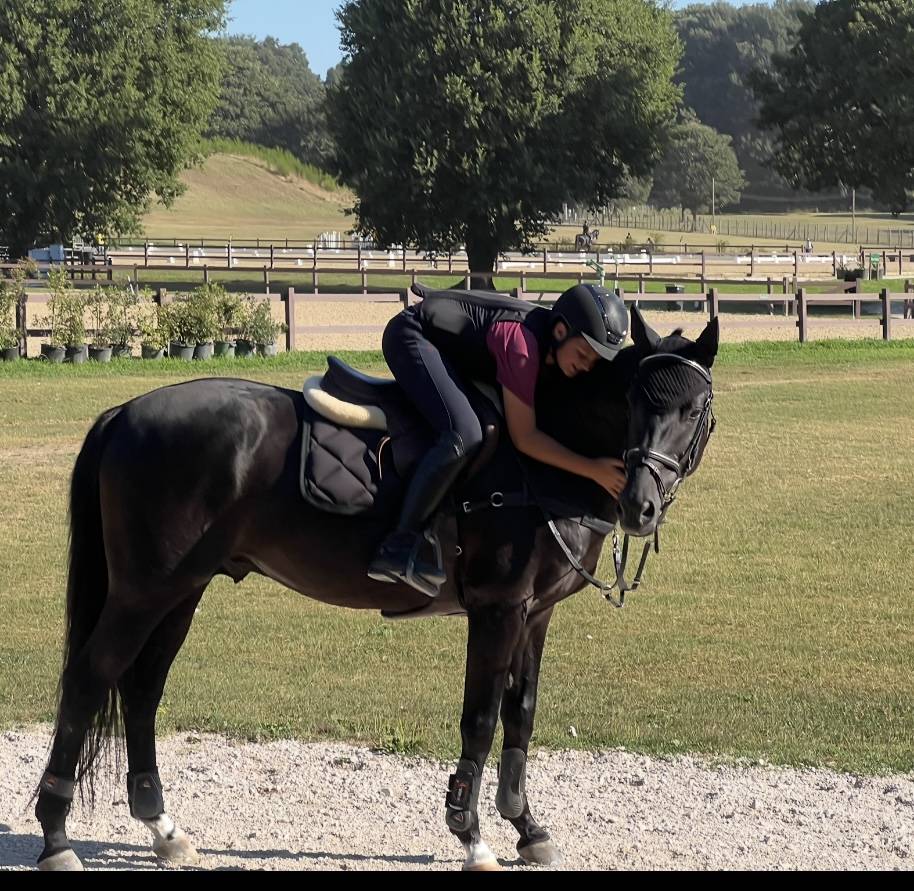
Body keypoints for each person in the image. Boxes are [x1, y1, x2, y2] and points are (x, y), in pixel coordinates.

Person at [367, 283, 629, 597]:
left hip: (454, 350)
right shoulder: (521, 347)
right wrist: (593, 470)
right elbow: (525, 438)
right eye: (583, 353)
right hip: (412, 336)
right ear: (561, 331)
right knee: (466, 433)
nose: (585, 366)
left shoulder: (553, 346)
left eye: (594, 361)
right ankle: (399, 544)